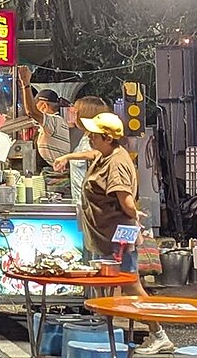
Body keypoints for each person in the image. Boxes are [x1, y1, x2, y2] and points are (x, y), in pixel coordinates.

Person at [78, 112, 174, 355]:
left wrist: (136, 214)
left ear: (108, 138)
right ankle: (104, 327)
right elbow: (91, 154)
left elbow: (126, 201)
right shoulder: (107, 154)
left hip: (119, 236)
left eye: (94, 134)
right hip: (106, 235)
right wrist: (68, 156)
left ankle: (158, 333)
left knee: (131, 284)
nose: (89, 137)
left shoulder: (117, 163)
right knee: (107, 282)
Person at [17, 65, 70, 167]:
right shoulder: (52, 123)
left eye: (36, 105)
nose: (35, 108)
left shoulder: (55, 121)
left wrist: (26, 84)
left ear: (44, 106)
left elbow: (31, 112)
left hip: (55, 174)